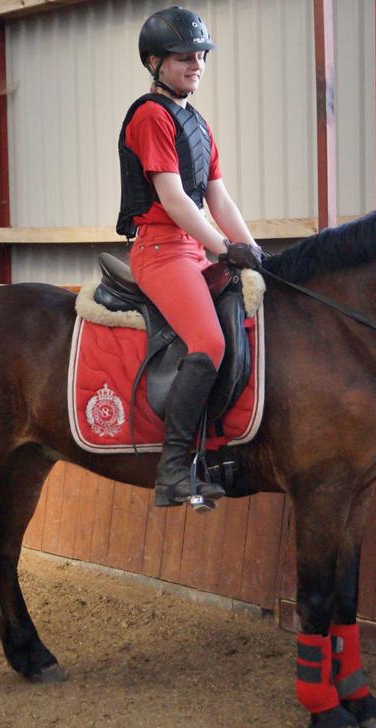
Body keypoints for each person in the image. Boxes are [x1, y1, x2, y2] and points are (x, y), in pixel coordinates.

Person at [116, 6, 264, 508]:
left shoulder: (195, 121)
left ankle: (220, 450)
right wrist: (226, 248)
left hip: (193, 249)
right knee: (208, 341)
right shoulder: (151, 115)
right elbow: (176, 200)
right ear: (155, 62)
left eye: (200, 54)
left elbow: (219, 198)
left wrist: (253, 250)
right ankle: (174, 469)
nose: (196, 62)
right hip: (160, 250)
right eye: (183, 56)